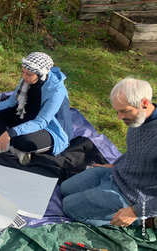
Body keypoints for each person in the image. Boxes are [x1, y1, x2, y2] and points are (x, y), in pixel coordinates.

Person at [61, 77, 157, 228]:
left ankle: (146, 221)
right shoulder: (138, 118)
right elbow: (136, 149)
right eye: (118, 111)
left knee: (69, 207)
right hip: (118, 174)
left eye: (124, 111)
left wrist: (136, 211)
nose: (119, 117)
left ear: (144, 103)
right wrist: (114, 165)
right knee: (65, 189)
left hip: (134, 196)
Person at [0, 52, 72, 165]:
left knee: (23, 142)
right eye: (23, 72)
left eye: (29, 74)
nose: (24, 77)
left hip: (50, 128)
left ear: (41, 75)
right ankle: (11, 145)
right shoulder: (26, 80)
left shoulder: (56, 91)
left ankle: (16, 147)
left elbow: (41, 121)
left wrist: (11, 133)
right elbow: (12, 101)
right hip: (28, 114)